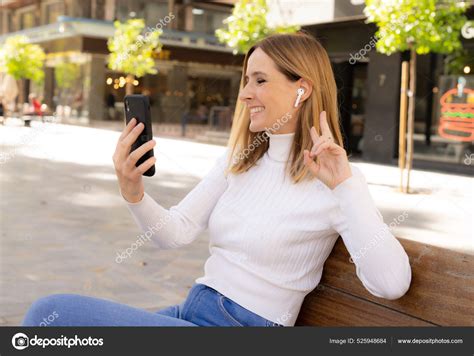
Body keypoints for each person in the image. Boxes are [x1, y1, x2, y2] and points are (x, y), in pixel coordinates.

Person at [22, 31, 412, 327]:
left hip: (241, 327)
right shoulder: (239, 160)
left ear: (302, 90)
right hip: (192, 311)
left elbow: (392, 283)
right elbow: (175, 232)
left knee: (51, 316)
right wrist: (133, 191)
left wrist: (346, 186)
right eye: (246, 80)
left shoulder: (336, 182)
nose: (245, 94)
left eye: (260, 80)